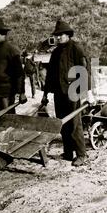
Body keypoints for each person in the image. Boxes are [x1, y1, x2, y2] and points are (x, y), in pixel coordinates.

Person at [41, 20, 95, 166]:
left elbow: (85, 71)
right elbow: (50, 75)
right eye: (57, 35)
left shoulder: (76, 48)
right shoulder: (56, 52)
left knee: (75, 123)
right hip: (59, 92)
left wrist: (89, 92)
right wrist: (45, 94)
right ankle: (68, 152)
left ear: (68, 35)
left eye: (61, 35)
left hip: (73, 91)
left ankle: (81, 154)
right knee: (63, 123)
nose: (59, 38)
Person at [0, 17, 27, 125]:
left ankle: (9, 140)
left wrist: (21, 92)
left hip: (6, 92)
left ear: (3, 34)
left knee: (7, 119)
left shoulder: (11, 50)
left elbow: (19, 73)